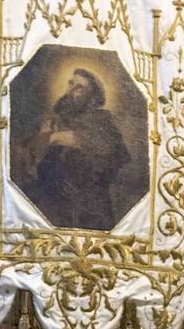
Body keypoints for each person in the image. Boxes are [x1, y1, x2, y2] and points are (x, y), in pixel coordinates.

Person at [14, 67, 130, 230]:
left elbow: (102, 145)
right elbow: (28, 152)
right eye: (71, 83)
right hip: (52, 202)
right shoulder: (54, 119)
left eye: (80, 87)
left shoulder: (100, 119)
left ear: (92, 96)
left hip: (88, 208)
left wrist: (50, 138)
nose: (71, 90)